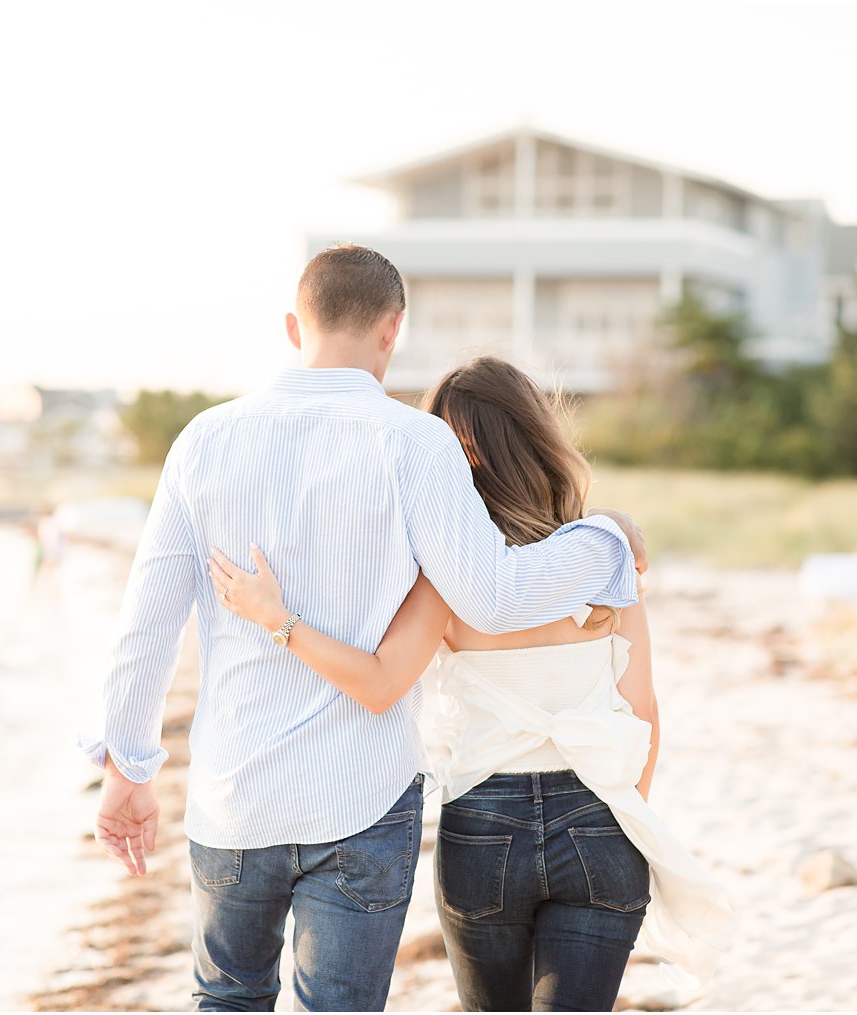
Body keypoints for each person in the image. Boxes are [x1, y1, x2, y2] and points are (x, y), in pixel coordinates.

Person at [80, 245, 648, 1012]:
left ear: (293, 326)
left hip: (235, 791)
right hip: (364, 799)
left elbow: (145, 625)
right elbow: (491, 597)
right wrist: (606, 539)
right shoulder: (417, 444)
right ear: (394, 330)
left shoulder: (204, 440)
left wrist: (129, 767)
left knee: (225, 1000)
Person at [209, 356, 733, 1011]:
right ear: (535, 436)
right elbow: (643, 710)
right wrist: (624, 820)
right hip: (599, 816)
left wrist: (277, 619)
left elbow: (378, 684)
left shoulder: (443, 579)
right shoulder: (600, 552)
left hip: (485, 826)